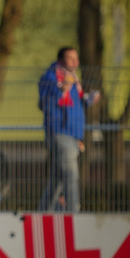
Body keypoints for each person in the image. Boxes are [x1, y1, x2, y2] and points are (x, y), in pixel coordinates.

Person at [38, 47, 100, 212]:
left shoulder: (74, 80)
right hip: (60, 132)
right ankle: (74, 213)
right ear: (60, 60)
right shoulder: (51, 77)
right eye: (70, 58)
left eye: (76, 58)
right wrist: (62, 88)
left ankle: (43, 212)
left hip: (73, 133)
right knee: (71, 175)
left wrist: (89, 99)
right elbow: (44, 103)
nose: (75, 62)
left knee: (57, 178)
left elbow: (77, 103)